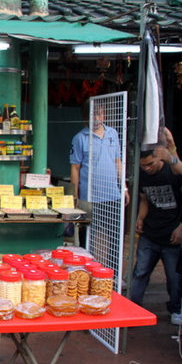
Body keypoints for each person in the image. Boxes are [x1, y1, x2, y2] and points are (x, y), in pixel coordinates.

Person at [130, 148, 182, 326]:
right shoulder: (143, 176)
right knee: (140, 272)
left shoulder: (174, 173)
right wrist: (140, 218)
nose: (147, 168)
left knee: (174, 277)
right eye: (143, 165)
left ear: (159, 158)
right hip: (150, 232)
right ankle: (133, 310)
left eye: (150, 164)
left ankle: (176, 309)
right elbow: (145, 199)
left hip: (172, 235)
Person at [69, 99, 129, 256]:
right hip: (89, 198)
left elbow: (118, 162)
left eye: (100, 114)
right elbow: (75, 168)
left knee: (116, 237)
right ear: (85, 117)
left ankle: (113, 274)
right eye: (93, 114)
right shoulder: (80, 138)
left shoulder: (113, 134)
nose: (97, 118)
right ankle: (87, 273)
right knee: (88, 239)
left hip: (112, 196)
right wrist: (75, 197)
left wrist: (123, 187)